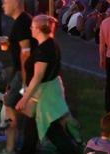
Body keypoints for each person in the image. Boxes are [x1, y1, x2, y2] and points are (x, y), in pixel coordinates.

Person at [15, 15, 79, 154]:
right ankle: (27, 149)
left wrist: (24, 98)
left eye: (32, 26)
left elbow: (38, 77)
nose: (30, 28)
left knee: (51, 127)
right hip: (44, 91)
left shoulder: (45, 49)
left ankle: (72, 151)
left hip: (44, 93)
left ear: (39, 29)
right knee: (31, 124)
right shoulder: (48, 43)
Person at [1, 0, 36, 154]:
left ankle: (10, 147)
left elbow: (26, 51)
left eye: (6, 3)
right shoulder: (22, 21)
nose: (3, 5)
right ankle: (23, 142)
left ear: (15, 4)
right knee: (24, 107)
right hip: (23, 71)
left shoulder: (22, 22)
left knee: (9, 103)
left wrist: (24, 78)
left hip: (24, 72)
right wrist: (8, 45)